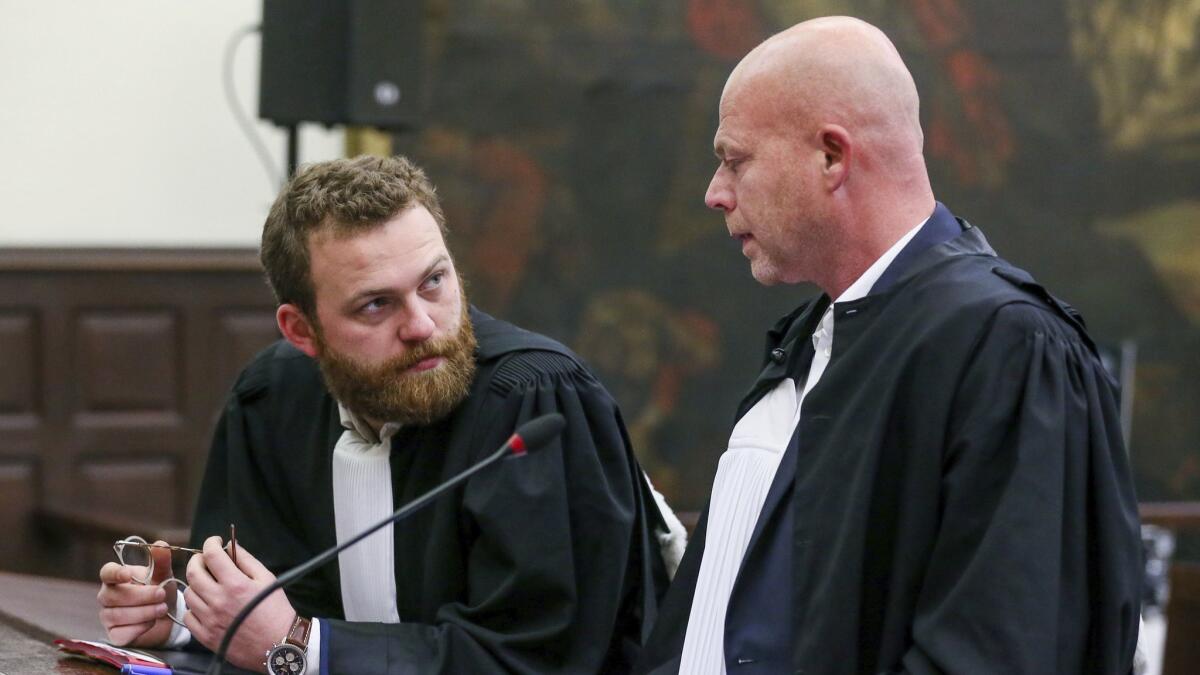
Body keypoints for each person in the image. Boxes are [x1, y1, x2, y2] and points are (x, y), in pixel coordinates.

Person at [635, 16, 1143, 675]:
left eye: (736, 160)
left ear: (832, 157)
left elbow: (1000, 648)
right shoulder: (814, 337)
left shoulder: (1005, 346)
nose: (715, 193)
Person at [97, 155, 679, 674]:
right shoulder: (271, 400)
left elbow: (542, 657)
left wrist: (303, 647)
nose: (422, 326)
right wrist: (182, 621)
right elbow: (270, 611)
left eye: (434, 282)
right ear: (303, 330)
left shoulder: (533, 403)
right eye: (376, 304)